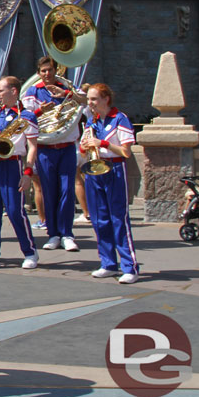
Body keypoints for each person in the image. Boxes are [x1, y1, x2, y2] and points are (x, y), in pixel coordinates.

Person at [0, 76, 40, 271]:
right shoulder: (0, 114)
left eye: (1, 91)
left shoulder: (27, 116)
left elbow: (33, 147)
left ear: (14, 91)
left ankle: (30, 252)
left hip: (13, 165)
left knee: (15, 211)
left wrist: (28, 172)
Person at [80, 83, 139, 283]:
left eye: (94, 99)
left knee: (118, 219)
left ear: (106, 99)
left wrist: (103, 143)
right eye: (89, 99)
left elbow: (126, 152)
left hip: (114, 169)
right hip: (95, 170)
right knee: (99, 219)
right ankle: (108, 263)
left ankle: (129, 267)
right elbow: (84, 149)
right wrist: (84, 146)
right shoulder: (92, 121)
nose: (90, 103)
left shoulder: (119, 119)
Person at [23, 56, 82, 252]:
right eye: (43, 71)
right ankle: (53, 234)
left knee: (67, 190)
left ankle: (67, 234)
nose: (47, 74)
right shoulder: (33, 92)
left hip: (66, 147)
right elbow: (24, 119)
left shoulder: (68, 88)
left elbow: (87, 102)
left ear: (56, 70)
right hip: (45, 148)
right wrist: (40, 111)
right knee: (49, 191)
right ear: (38, 73)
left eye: (50, 70)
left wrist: (66, 93)